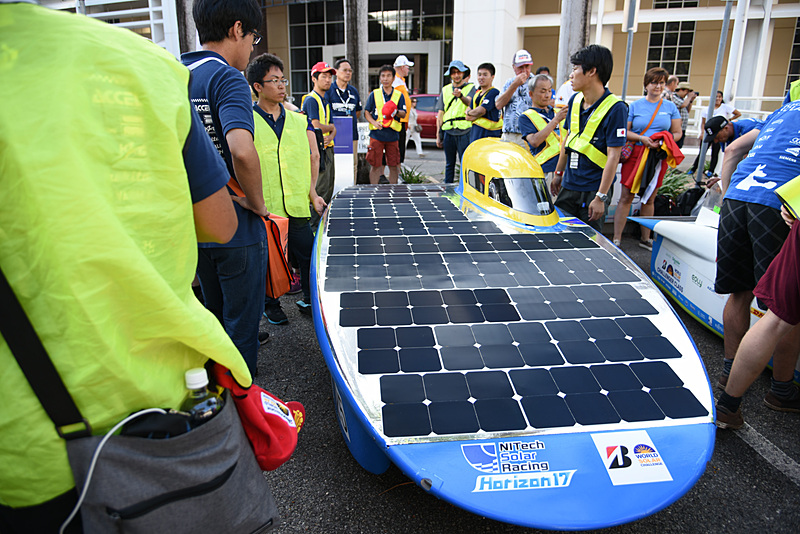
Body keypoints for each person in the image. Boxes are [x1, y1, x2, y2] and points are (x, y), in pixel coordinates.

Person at [0, 2, 253, 530]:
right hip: (166, 402)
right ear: (238, 31)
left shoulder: (178, 67)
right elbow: (219, 222)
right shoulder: (142, 62)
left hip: (26, 441)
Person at [181, 0, 268, 377]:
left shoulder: (175, 72)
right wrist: (256, 202)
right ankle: (245, 414)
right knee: (241, 330)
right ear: (237, 29)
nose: (252, 48)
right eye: (253, 38)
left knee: (212, 324)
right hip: (235, 224)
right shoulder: (227, 77)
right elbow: (241, 150)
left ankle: (220, 404)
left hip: (194, 224)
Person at [712, 100, 800, 418]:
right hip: (781, 204)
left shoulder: (784, 110)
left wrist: (726, 192)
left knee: (740, 291)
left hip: (738, 194)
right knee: (784, 310)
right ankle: (781, 389)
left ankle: (729, 372)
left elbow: (733, 149)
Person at [246, 53, 326, 324]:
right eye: (274, 81)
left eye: (283, 80)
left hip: (297, 202)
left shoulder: (298, 119)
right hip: (266, 207)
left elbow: (314, 156)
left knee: (307, 254)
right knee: (269, 260)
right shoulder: (246, 120)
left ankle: (307, 297)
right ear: (258, 86)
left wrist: (312, 192)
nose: (282, 86)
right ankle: (272, 305)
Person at [716, 203, 800, 429]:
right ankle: (781, 390)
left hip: (741, 197)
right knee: (784, 318)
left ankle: (728, 402)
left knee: (777, 318)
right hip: (774, 207)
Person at [551, 44, 628, 233]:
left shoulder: (616, 107)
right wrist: (558, 174)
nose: (571, 75)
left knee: (588, 245)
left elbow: (613, 156)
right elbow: (567, 141)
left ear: (592, 71)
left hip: (593, 190)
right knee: (560, 236)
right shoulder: (575, 101)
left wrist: (600, 197)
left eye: (576, 69)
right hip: (569, 186)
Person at [612, 67, 682, 250]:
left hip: (657, 156)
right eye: (654, 82)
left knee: (650, 197)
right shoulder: (634, 106)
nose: (658, 86)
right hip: (636, 154)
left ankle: (646, 237)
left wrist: (662, 141)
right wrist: (642, 138)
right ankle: (617, 238)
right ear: (646, 85)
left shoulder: (670, 107)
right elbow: (624, 131)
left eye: (661, 82)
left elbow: (677, 132)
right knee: (626, 196)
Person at [519, 74, 569, 185]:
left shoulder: (558, 113)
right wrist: (555, 121)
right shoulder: (526, 117)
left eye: (549, 91)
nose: (547, 95)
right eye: (542, 92)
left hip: (565, 169)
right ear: (531, 94)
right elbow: (534, 141)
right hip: (544, 170)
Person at [302, 62, 337, 211]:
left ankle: (321, 226)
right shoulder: (311, 100)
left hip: (327, 148)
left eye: (330, 77)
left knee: (329, 188)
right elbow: (317, 126)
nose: (328, 80)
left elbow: (333, 128)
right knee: (319, 190)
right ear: (314, 79)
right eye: (324, 76)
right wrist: (330, 128)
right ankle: (315, 228)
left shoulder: (325, 101)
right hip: (317, 151)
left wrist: (330, 131)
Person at [364, 64, 406, 184]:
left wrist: (396, 112)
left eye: (388, 76)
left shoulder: (398, 95)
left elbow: (403, 113)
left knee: (393, 165)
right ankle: (373, 191)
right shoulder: (374, 94)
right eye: (383, 76)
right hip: (376, 135)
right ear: (380, 78)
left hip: (392, 135)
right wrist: (374, 122)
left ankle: (393, 190)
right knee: (375, 165)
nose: (385, 79)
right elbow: (366, 112)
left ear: (393, 78)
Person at [435, 60, 476, 183]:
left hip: (465, 130)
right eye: (453, 73)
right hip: (448, 130)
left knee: (465, 163)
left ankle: (466, 189)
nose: (456, 75)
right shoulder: (446, 89)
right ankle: (448, 190)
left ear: (463, 73)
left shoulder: (470, 88)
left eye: (459, 72)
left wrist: (460, 96)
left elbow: (470, 102)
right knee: (449, 164)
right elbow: (441, 112)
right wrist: (438, 134)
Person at [689, 90, 741, 176]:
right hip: (709, 133)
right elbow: (703, 122)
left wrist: (728, 121)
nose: (718, 98)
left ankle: (711, 171)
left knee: (715, 152)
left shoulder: (725, 107)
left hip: (719, 133)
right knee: (702, 151)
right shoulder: (707, 109)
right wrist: (702, 133)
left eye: (720, 97)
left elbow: (738, 113)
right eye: (716, 96)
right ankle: (694, 168)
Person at [496, 49, 534, 148]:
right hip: (509, 135)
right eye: (520, 67)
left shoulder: (536, 82)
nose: (524, 70)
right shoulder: (509, 83)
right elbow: (498, 104)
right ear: (514, 67)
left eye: (527, 66)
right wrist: (514, 85)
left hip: (528, 135)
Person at [465, 62, 503, 143]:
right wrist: (472, 113)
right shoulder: (477, 94)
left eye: (485, 75)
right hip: (476, 133)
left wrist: (470, 112)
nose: (481, 77)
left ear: (492, 77)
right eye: (479, 75)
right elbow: (467, 117)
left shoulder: (494, 92)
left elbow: (481, 110)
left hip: (489, 135)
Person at [326, 58, 362, 141]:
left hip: (351, 135)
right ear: (336, 72)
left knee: (353, 154)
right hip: (334, 136)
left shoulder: (353, 91)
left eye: (350, 71)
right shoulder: (329, 90)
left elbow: (358, 111)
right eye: (345, 70)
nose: (348, 73)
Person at [393, 55, 414, 163]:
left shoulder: (401, 81)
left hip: (402, 120)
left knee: (400, 150)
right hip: (398, 121)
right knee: (397, 150)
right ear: (402, 67)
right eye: (407, 67)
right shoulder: (396, 82)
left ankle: (398, 172)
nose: (408, 69)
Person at [671, 81, 697, 149]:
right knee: (674, 146)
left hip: (683, 127)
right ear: (681, 90)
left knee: (679, 146)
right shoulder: (674, 97)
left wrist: (691, 100)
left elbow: (687, 110)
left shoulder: (683, 99)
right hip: (676, 127)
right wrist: (689, 97)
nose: (687, 94)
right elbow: (683, 105)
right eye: (686, 91)